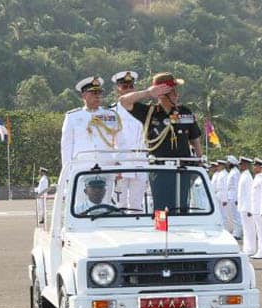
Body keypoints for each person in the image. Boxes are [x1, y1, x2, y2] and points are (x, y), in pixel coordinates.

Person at [119, 72, 202, 211]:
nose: (176, 94)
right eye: (172, 91)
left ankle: (181, 231)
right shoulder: (150, 112)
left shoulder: (184, 112)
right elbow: (123, 101)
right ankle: (162, 232)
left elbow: (194, 138)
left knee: (182, 208)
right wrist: (148, 93)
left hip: (182, 168)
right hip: (160, 168)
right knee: (162, 210)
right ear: (162, 93)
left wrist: (199, 159)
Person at [61, 77, 120, 171]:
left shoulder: (111, 115)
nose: (98, 96)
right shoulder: (72, 117)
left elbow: (119, 141)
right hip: (82, 167)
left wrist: (119, 163)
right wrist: (67, 171)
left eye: (99, 93)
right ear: (83, 95)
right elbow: (66, 147)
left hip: (106, 166)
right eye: (94, 93)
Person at [110, 70, 148, 212]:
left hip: (140, 161)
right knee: (120, 205)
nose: (128, 90)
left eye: (130, 86)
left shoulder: (144, 111)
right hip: (121, 162)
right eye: (124, 87)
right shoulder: (111, 112)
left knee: (137, 205)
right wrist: (114, 162)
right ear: (117, 89)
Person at [236, 157, 257, 256]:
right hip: (243, 207)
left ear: (246, 165)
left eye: (241, 164)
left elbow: (249, 194)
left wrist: (250, 208)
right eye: (240, 164)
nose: (240, 166)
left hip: (247, 207)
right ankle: (247, 248)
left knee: (249, 229)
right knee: (246, 229)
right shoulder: (243, 175)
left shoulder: (247, 177)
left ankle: (251, 249)